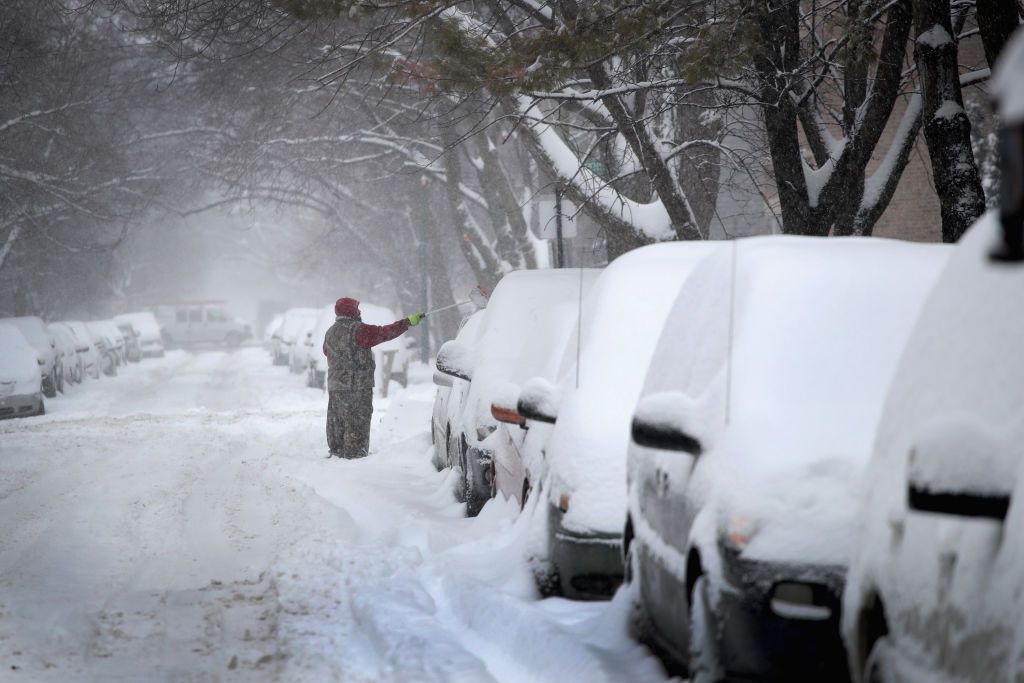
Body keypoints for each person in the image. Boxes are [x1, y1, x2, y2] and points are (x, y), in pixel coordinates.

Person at [323, 297, 423, 459]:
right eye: (357, 309)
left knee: (337, 422)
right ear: (350, 311)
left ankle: (337, 452)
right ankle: (355, 456)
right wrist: (407, 322)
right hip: (358, 387)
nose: (359, 311)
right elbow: (384, 333)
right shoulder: (359, 330)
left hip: (336, 387)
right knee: (357, 423)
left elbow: (326, 352)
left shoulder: (330, 332)